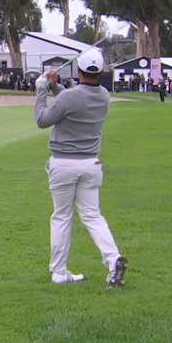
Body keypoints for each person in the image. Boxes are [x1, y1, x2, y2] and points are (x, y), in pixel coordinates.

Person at [33, 48, 127, 289]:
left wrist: (41, 89)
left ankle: (59, 272)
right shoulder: (104, 96)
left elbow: (42, 120)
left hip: (63, 164)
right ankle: (113, 259)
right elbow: (72, 100)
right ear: (101, 71)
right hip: (91, 164)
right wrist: (55, 86)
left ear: (79, 70)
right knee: (93, 216)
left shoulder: (70, 97)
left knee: (62, 216)